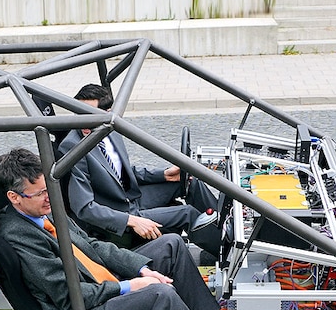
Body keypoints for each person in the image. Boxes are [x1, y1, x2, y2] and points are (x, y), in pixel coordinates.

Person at [0, 147, 260, 310]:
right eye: (40, 193)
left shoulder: (42, 209)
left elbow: (93, 246)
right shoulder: (19, 236)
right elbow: (68, 297)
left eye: (48, 190)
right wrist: (130, 285)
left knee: (172, 245)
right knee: (160, 295)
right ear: (14, 197)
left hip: (97, 282)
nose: (49, 197)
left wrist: (140, 267)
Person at [58, 84, 220, 253]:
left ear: (107, 112)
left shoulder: (110, 129)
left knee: (190, 182)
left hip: (133, 197)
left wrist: (164, 175)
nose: (83, 120)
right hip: (119, 212)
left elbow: (122, 172)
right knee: (187, 213)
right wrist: (131, 220)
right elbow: (84, 208)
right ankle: (225, 254)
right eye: (79, 112)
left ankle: (224, 226)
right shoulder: (72, 147)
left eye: (90, 114)